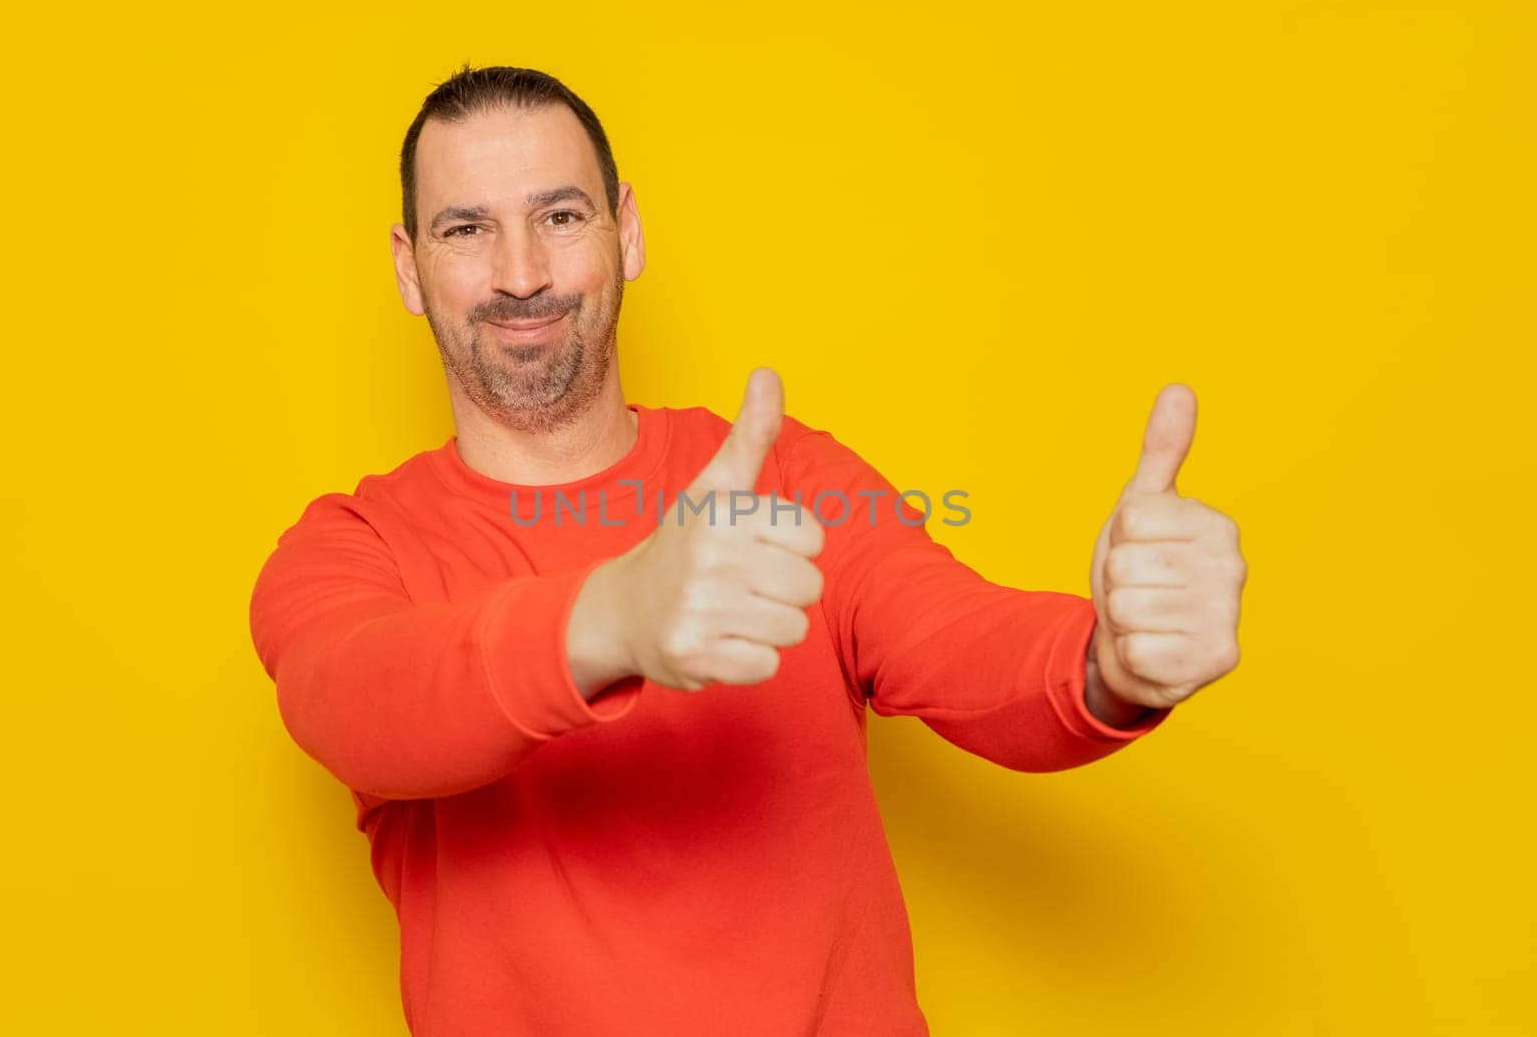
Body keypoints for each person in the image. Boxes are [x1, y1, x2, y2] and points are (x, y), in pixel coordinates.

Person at [247, 64, 1247, 1037]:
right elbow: (351, 701)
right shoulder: (353, 545)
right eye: (467, 229)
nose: (520, 273)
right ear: (407, 266)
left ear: (625, 232)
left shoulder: (785, 475)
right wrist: (615, 616)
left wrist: (1107, 662)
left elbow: (963, 642)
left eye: (559, 216)